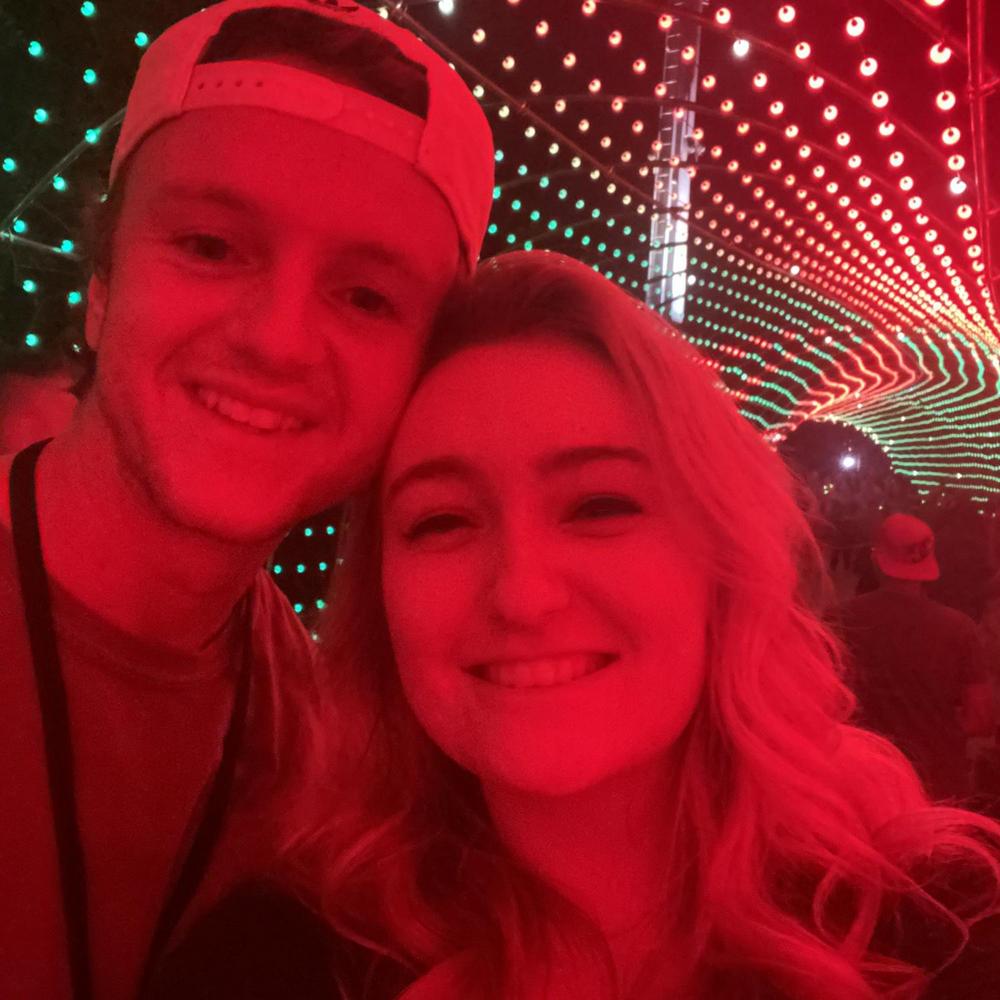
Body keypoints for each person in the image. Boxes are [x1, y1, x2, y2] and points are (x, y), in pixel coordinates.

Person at [153, 252, 1000, 999]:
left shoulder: (947, 936)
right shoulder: (267, 966)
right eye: (442, 520)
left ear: (721, 564)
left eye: (600, 505)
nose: (521, 594)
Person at [0, 2, 494, 998]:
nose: (277, 339)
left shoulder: (320, 740)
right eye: (211, 246)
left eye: (365, 296)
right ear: (100, 286)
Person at [837, 513, 996, 802]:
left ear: (877, 560)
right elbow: (980, 719)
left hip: (864, 774)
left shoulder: (842, 619)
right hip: (939, 777)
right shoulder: (959, 628)